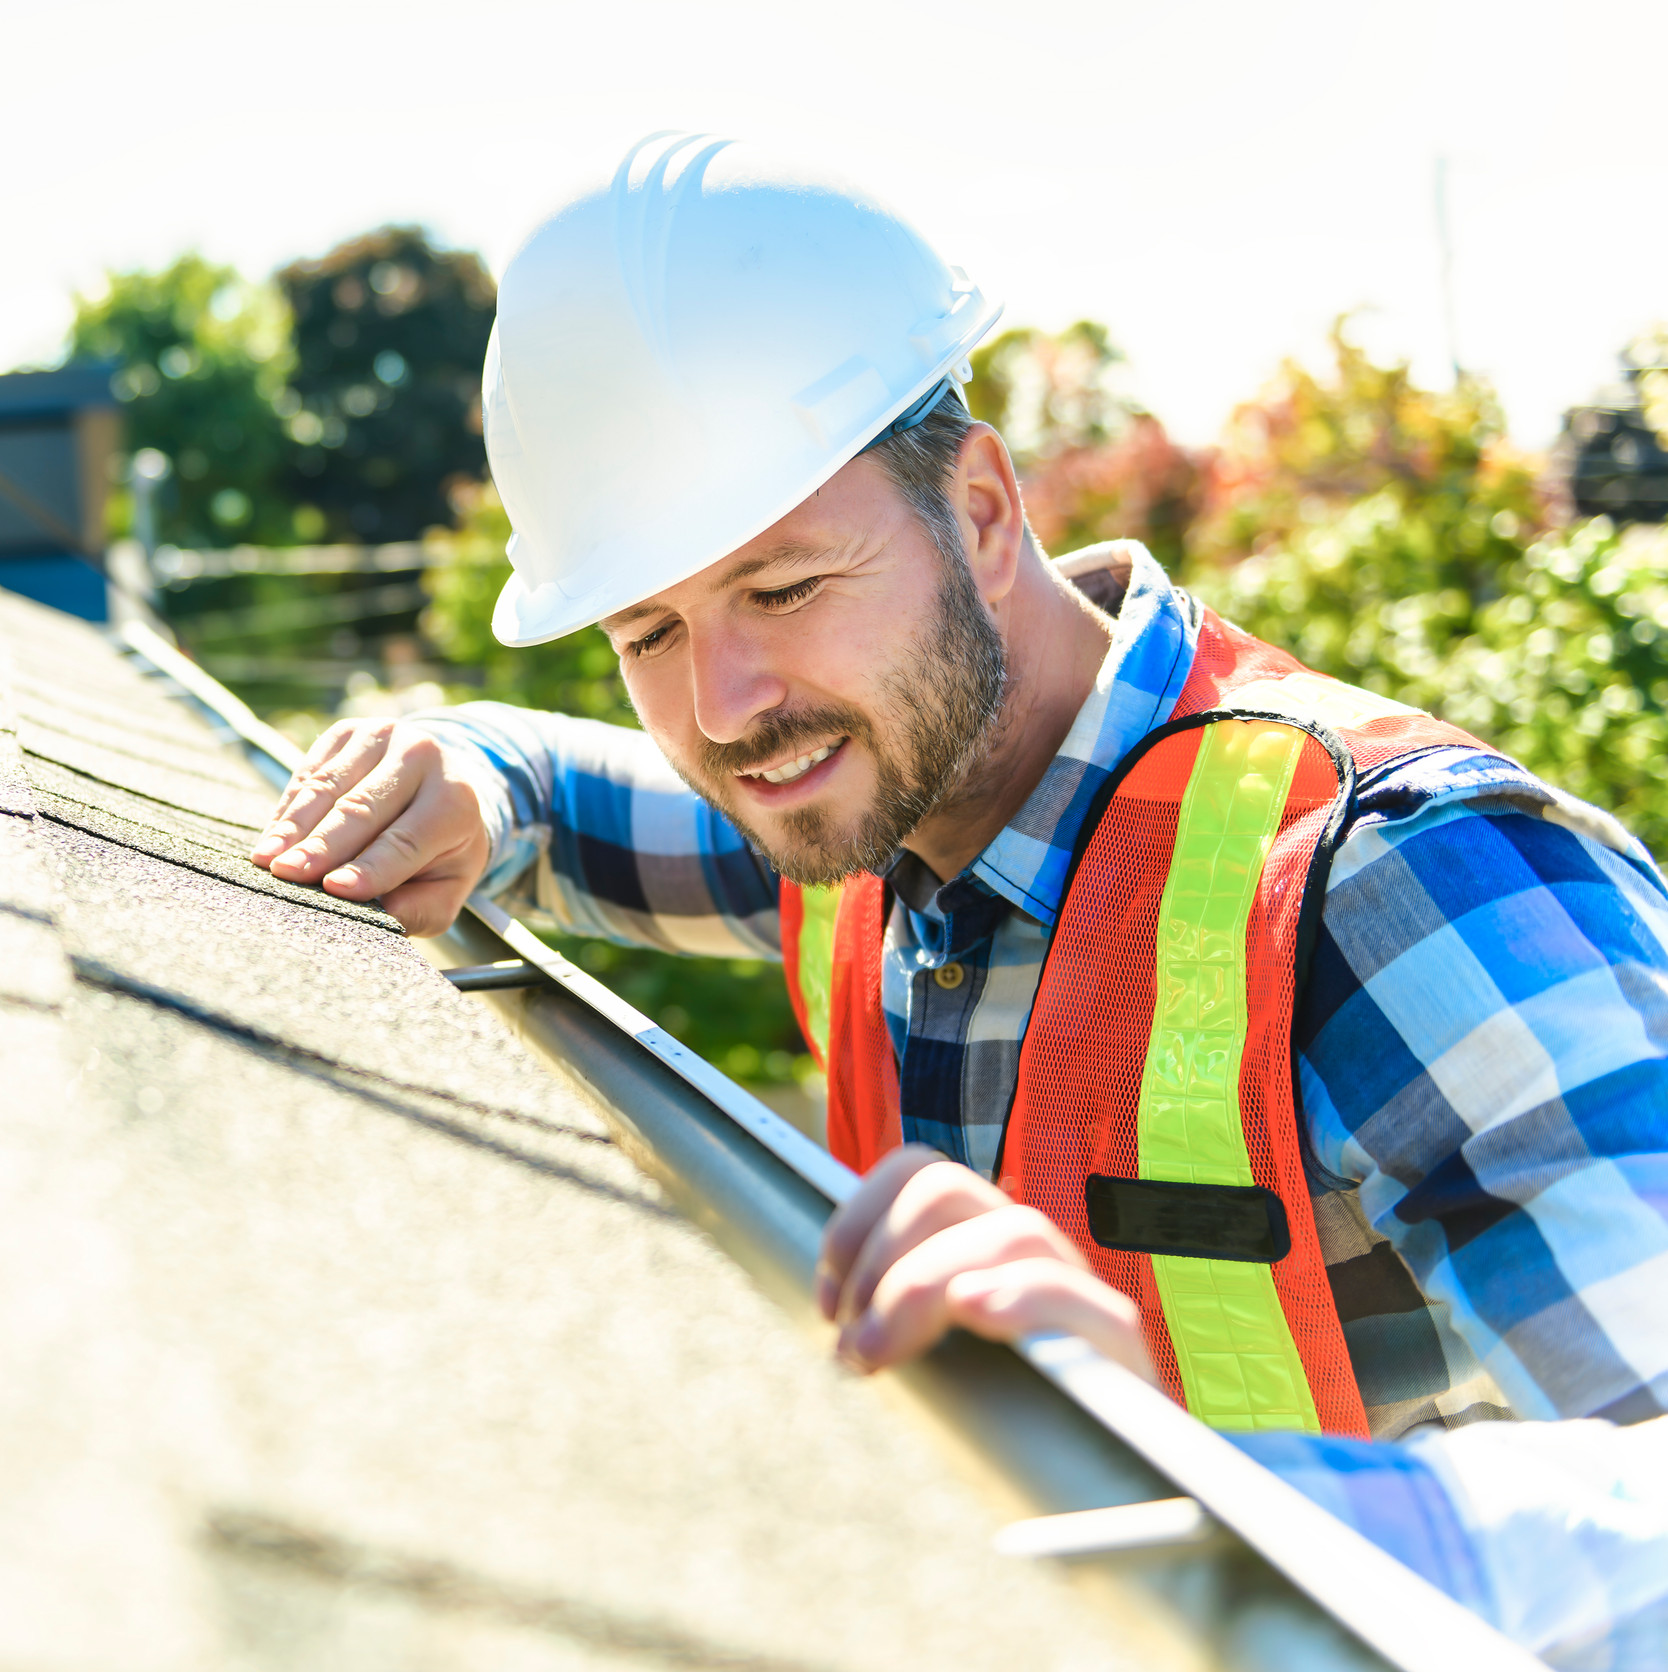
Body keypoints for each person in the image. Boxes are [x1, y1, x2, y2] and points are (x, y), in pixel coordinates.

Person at [248, 134, 1668, 1660]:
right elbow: (566, 795)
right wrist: (469, 768)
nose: (722, 707)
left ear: (984, 512)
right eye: (647, 629)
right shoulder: (866, 817)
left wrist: (1175, 1488)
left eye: (784, 589)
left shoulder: (1400, 879)